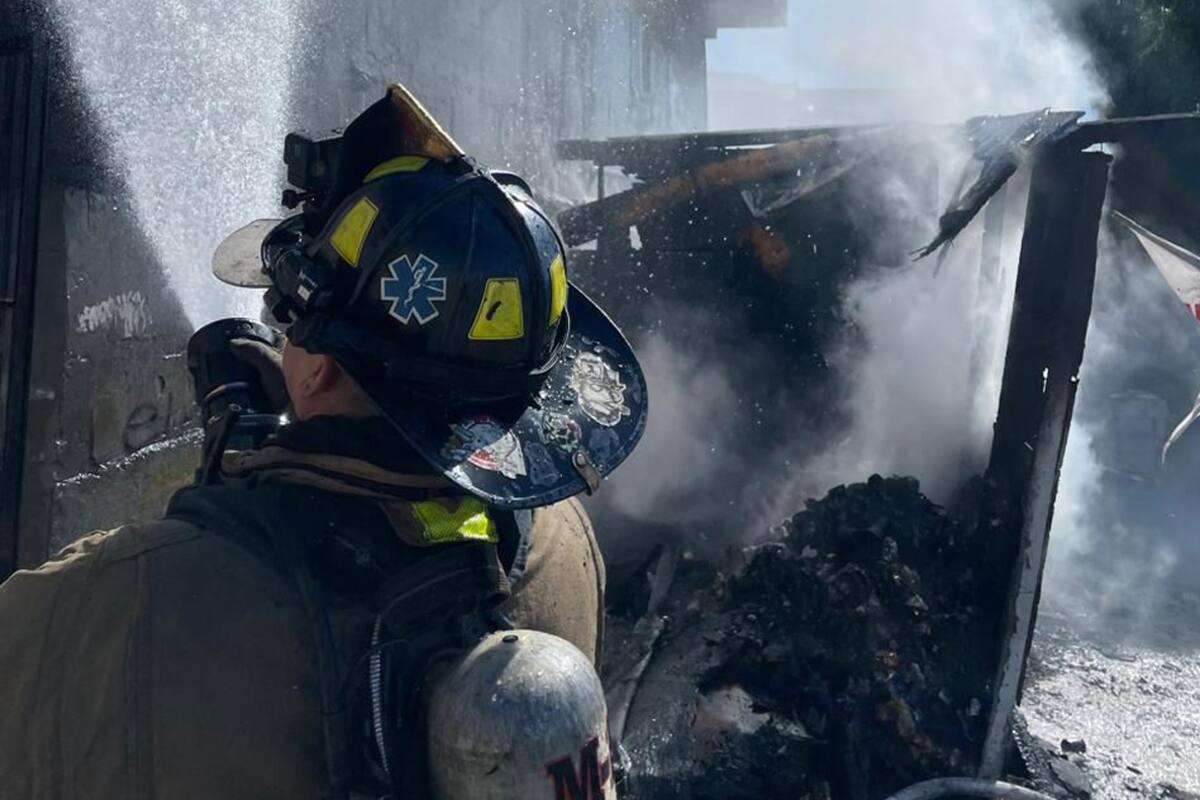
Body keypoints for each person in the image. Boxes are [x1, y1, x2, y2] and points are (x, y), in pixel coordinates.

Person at [0, 84, 646, 799]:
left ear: (317, 372)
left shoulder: (94, 612)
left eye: (288, 327)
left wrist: (243, 486)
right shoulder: (562, 545)